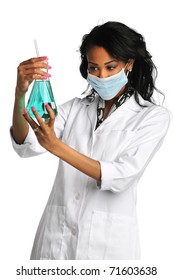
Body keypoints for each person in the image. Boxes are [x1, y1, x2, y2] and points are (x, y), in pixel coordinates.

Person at [11, 21, 170, 260]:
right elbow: (26, 144)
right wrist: (21, 92)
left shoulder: (152, 116)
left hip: (108, 246)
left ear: (129, 64)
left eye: (110, 67)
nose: (101, 76)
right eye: (94, 68)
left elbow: (122, 176)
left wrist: (57, 146)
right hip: (56, 241)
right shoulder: (75, 108)